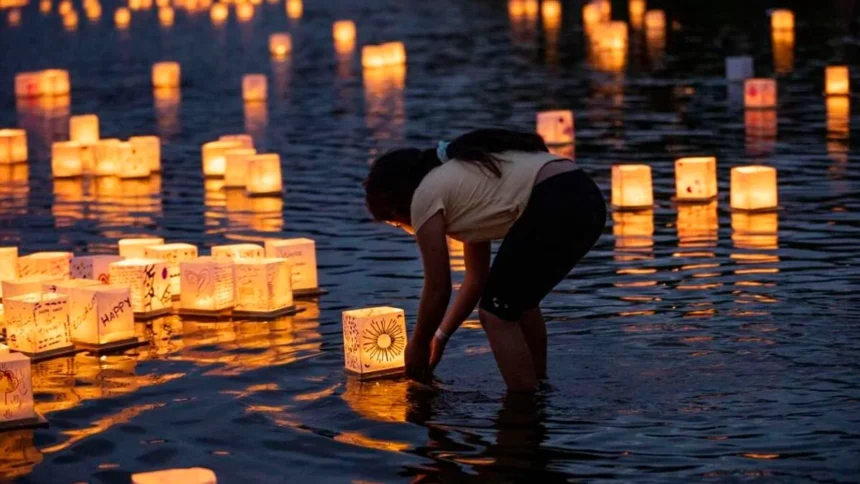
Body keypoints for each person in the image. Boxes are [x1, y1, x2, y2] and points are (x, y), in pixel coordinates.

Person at [363, 128, 606, 392]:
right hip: (586, 196)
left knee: (495, 313)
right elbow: (475, 279)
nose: (405, 229)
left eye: (396, 224)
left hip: (556, 199)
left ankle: (524, 406)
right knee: (516, 302)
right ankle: (539, 385)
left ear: (397, 206)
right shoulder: (460, 183)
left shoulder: (424, 195)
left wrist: (418, 345)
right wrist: (440, 338)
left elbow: (438, 287)